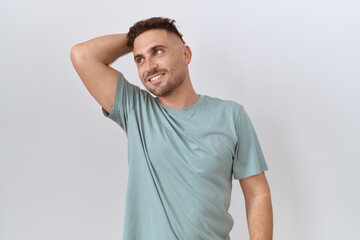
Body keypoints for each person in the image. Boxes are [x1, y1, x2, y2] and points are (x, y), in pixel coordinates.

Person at [70, 17, 273, 240]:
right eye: (139, 59)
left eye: (158, 51)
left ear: (185, 55)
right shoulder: (136, 110)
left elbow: (257, 192)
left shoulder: (231, 116)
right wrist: (136, 40)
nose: (148, 66)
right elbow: (82, 56)